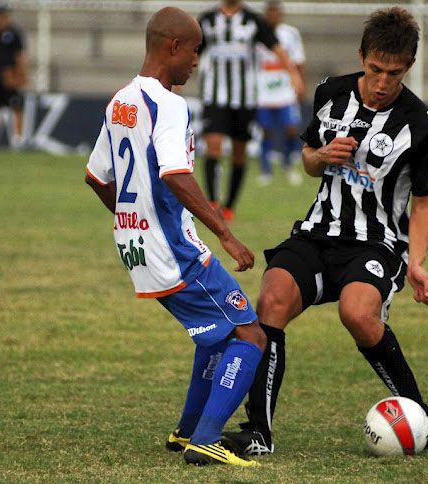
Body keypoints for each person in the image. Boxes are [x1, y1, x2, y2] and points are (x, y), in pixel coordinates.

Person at [222, 6, 428, 456]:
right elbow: (309, 160)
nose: (383, 81)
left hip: (378, 242)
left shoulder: (422, 127)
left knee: (357, 313)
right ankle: (259, 433)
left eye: (394, 72)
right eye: (375, 69)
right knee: (270, 299)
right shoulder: (330, 94)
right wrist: (322, 155)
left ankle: (420, 415)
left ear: (408, 67)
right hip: (317, 232)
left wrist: (418, 263)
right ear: (361, 56)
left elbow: (425, 206)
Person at [84, 7, 266, 468]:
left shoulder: (120, 100)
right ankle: (206, 439)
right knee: (250, 333)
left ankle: (186, 431)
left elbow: (95, 176)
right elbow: (176, 174)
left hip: (137, 247)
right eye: (196, 50)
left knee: (213, 336)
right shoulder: (167, 104)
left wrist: (132, 218)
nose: (197, 62)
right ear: (173, 47)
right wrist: (225, 233)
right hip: (174, 248)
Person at [198, 0, 304, 222]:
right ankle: (212, 202)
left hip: (245, 99)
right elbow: (193, 52)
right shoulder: (207, 20)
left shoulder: (254, 20)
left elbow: (277, 48)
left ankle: (229, 206)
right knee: (214, 146)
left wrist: (294, 74)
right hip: (214, 96)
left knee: (239, 152)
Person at [255, 0, 306, 187]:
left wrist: (301, 84)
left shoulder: (291, 33)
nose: (273, 15)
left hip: (286, 89)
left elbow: (299, 61)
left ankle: (289, 165)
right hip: (263, 91)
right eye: (270, 12)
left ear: (281, 13)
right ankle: (266, 170)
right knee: (265, 131)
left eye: (276, 12)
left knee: (291, 128)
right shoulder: (257, 34)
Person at [0, 0, 27, 148]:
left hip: (10, 78)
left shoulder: (14, 34)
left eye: (3, 15)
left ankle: (18, 139)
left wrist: (19, 76)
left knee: (16, 106)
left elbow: (20, 57)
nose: (1, 18)